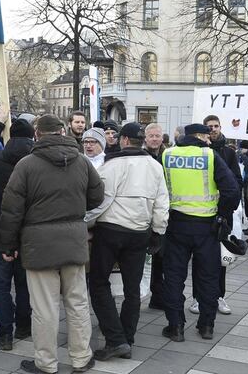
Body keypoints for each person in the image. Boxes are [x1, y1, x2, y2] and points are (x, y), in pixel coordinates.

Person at [0, 114, 104, 374]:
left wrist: (7, 245)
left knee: (44, 308)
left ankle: (46, 363)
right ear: (62, 131)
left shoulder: (26, 165)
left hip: (38, 245)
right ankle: (81, 358)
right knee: (77, 303)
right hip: (74, 242)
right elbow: (97, 196)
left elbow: (11, 211)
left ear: (38, 134)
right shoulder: (81, 161)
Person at [85, 122, 169, 361]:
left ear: (123, 140)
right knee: (133, 289)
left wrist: (83, 222)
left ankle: (116, 338)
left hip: (110, 231)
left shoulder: (111, 165)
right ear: (142, 141)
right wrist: (158, 232)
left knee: (99, 283)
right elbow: (162, 203)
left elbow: (100, 201)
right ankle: (127, 337)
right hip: (139, 233)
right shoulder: (154, 166)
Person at [160, 123, 240, 342]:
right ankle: (206, 326)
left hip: (175, 224)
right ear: (199, 136)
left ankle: (175, 327)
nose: (210, 139)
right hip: (206, 227)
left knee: (174, 277)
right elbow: (232, 190)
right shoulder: (210, 156)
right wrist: (222, 215)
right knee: (208, 278)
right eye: (207, 136)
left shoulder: (167, 154)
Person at [0, 110, 35, 350]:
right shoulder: (37, 163)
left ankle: (4, 333)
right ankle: (24, 326)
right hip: (28, 234)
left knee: (1, 286)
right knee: (24, 285)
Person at [202, 115, 243, 311]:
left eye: (216, 126)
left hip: (223, 211)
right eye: (209, 126)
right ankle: (198, 297)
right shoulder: (201, 152)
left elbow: (236, 180)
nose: (213, 129)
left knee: (221, 258)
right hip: (202, 210)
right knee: (202, 258)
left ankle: (219, 296)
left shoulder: (228, 152)